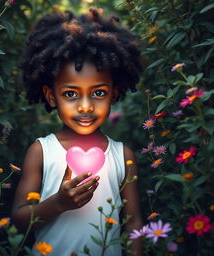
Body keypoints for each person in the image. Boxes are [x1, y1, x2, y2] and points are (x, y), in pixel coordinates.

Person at [12, 7, 143, 256]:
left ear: (114, 94)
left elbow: (133, 222)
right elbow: (19, 219)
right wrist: (58, 203)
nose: (85, 106)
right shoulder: (41, 151)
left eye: (99, 93)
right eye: (70, 94)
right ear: (51, 97)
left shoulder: (123, 155)